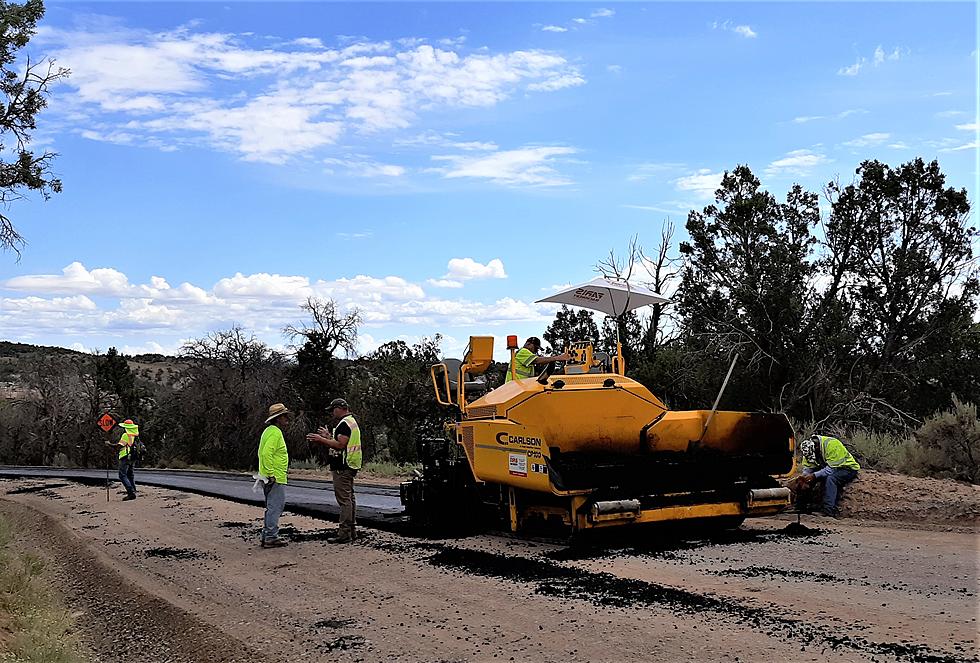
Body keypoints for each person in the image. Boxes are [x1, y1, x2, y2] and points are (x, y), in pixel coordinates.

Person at [306, 398, 362, 544]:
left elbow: (340, 445)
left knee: (344, 500)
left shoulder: (344, 424)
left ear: (340, 408)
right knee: (350, 498)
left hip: (342, 466)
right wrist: (329, 437)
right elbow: (341, 442)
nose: (332, 413)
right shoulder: (351, 422)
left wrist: (321, 440)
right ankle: (351, 530)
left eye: (333, 410)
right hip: (350, 464)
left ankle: (344, 533)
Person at [799, 434, 861, 516]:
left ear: (817, 448)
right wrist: (805, 477)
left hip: (846, 468)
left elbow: (830, 470)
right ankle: (802, 507)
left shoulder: (832, 445)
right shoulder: (808, 450)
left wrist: (814, 475)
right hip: (828, 466)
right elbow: (808, 467)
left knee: (831, 479)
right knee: (806, 481)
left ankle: (828, 510)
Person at [258, 403, 291, 548]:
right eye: (284, 416)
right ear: (278, 418)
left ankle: (267, 535)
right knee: (275, 506)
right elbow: (266, 453)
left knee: (272, 506)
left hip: (270, 475)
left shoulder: (268, 431)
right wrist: (271, 473)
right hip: (275, 476)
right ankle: (271, 536)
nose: (287, 419)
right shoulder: (275, 432)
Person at [505, 336, 573, 382]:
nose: (536, 351)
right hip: (514, 387)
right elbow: (537, 360)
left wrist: (551, 360)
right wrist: (558, 358)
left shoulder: (525, 356)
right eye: (536, 348)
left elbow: (541, 362)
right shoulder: (523, 351)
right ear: (529, 344)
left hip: (518, 386)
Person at [108, 419, 139, 501]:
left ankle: (130, 492)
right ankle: (133, 490)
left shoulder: (126, 435)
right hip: (133, 457)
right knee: (130, 474)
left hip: (125, 456)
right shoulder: (135, 435)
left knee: (122, 475)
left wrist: (109, 444)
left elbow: (118, 446)